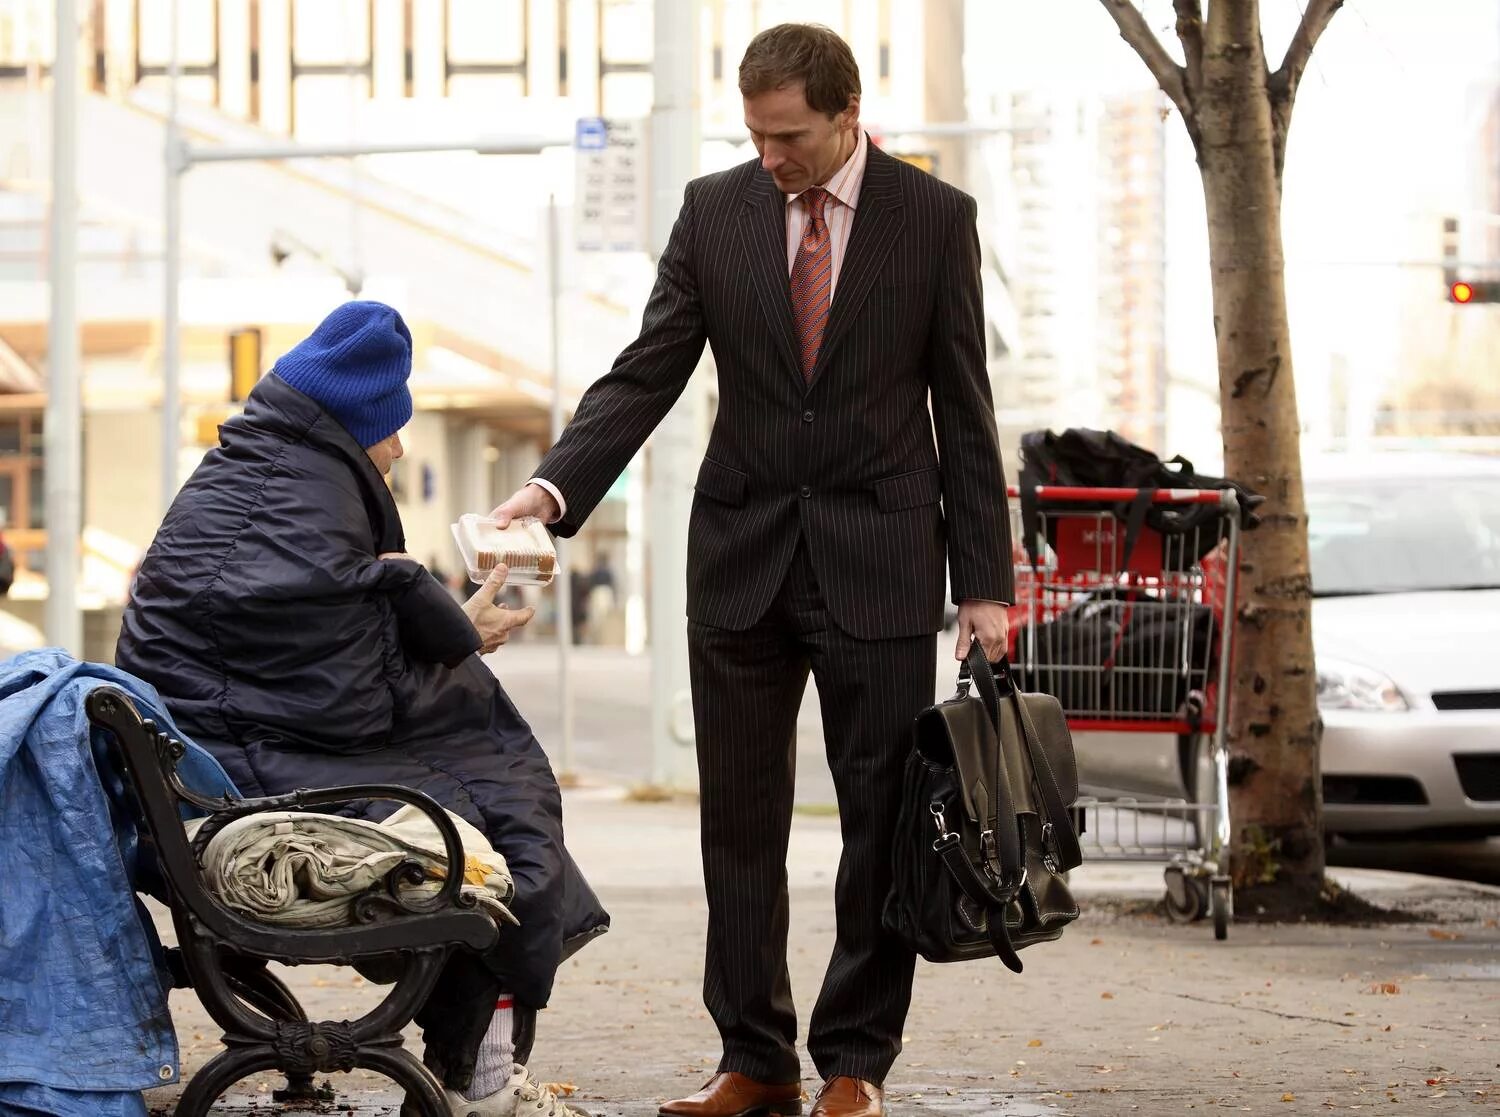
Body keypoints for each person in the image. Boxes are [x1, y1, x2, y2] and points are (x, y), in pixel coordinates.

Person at [490, 24, 1013, 1117]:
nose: (771, 158)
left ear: (845, 114)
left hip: (878, 556)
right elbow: (646, 375)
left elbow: (966, 412)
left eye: (789, 138)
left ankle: (856, 1062)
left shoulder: (932, 221)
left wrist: (986, 585)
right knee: (737, 820)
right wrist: (550, 493)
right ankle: (755, 1056)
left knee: (879, 817)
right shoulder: (715, 210)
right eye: (756, 135)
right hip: (741, 554)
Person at [116, 301, 606, 1117]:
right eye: (389, 428)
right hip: (244, 781)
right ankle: (481, 1077)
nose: (400, 447)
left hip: (205, 770)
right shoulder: (308, 500)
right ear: (354, 424)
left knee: (489, 812)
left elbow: (316, 651)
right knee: (494, 836)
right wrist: (459, 639)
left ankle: (478, 1068)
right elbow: (349, 703)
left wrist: (446, 629)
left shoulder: (250, 478)